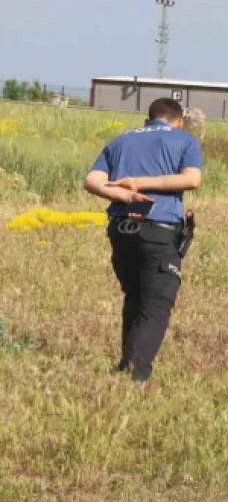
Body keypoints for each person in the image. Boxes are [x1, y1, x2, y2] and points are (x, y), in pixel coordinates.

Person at [82, 98, 203, 384]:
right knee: (156, 303)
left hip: (120, 229)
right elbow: (192, 179)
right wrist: (138, 183)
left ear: (147, 120)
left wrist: (122, 195)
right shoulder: (184, 140)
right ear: (179, 120)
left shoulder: (120, 140)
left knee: (135, 297)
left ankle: (126, 365)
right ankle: (138, 376)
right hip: (158, 229)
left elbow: (92, 180)